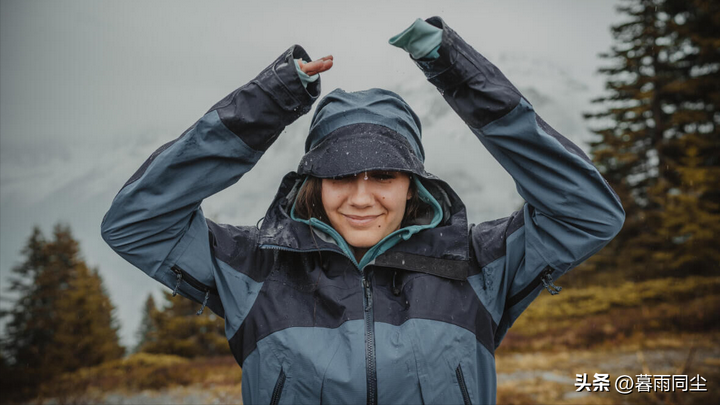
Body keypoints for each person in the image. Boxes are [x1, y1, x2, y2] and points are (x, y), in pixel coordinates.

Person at [101, 16, 625, 405]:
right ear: (312, 182)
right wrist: (271, 100)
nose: (360, 197)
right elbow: (136, 223)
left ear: (414, 185)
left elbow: (588, 212)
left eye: (384, 176)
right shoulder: (255, 266)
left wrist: (457, 75)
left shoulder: (479, 264)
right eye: (340, 176)